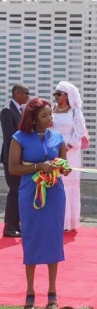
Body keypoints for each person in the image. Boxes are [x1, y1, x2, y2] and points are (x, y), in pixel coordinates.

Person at [6, 98, 70, 309]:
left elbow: (63, 166)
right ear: (32, 118)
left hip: (55, 195)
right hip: (30, 195)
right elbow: (13, 168)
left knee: (53, 239)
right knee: (31, 238)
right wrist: (38, 166)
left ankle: (52, 290)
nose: (50, 118)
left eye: (50, 114)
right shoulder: (19, 138)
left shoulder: (58, 137)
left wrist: (64, 168)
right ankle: (30, 290)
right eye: (44, 115)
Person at [51, 81, 89, 232]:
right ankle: (55, 219)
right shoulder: (52, 109)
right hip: (53, 149)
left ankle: (68, 222)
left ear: (67, 96)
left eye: (59, 94)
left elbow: (80, 131)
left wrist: (68, 146)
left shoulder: (75, 111)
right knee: (55, 183)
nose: (56, 97)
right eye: (55, 94)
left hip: (70, 152)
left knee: (68, 185)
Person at [2, 83, 29, 238]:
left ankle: (16, 225)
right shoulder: (7, 110)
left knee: (20, 192)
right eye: (26, 93)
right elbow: (8, 137)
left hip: (20, 158)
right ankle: (9, 227)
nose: (28, 96)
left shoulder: (21, 110)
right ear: (17, 93)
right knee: (14, 192)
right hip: (11, 159)